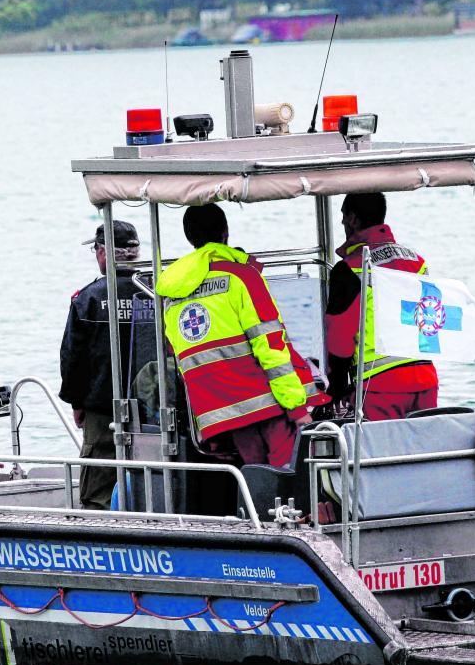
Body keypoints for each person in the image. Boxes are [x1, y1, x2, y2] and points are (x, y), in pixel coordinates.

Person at [158, 204, 327, 513]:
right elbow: (271, 346)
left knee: (256, 477)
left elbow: (178, 354)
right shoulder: (241, 277)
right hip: (266, 402)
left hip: (222, 411)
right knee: (288, 477)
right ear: (225, 233)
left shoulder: (172, 293)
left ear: (188, 237)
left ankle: (260, 530)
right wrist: (297, 406)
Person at [58, 220, 157, 510]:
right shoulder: (156, 292)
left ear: (103, 253)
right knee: (151, 481)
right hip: (152, 410)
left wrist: (76, 402)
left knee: (98, 490)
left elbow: (72, 358)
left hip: (102, 411)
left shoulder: (87, 299)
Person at [324, 192, 439, 420]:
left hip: (379, 385)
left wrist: (336, 387)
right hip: (425, 377)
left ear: (353, 219)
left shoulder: (350, 268)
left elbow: (340, 335)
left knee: (380, 453)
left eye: (343, 216)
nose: (342, 223)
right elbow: (431, 317)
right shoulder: (418, 261)